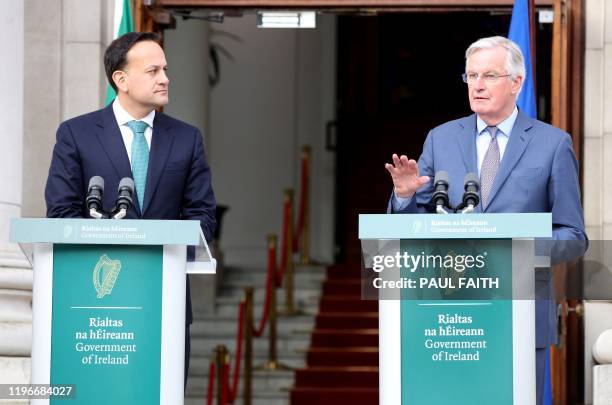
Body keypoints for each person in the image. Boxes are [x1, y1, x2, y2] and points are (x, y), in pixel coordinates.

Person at [384, 36, 586, 405]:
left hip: (521, 311)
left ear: (516, 82)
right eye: (471, 75)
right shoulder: (441, 139)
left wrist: (515, 250)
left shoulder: (552, 144)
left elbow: (573, 234)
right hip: (449, 317)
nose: (477, 84)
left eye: (489, 75)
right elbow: (412, 228)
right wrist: (405, 196)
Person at [45, 32, 216, 387]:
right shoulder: (76, 134)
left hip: (164, 304)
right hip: (95, 308)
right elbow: (61, 214)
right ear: (120, 80)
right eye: (153, 70)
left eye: (165, 69)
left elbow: (202, 217)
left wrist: (160, 254)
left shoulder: (187, 139)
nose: (165, 78)